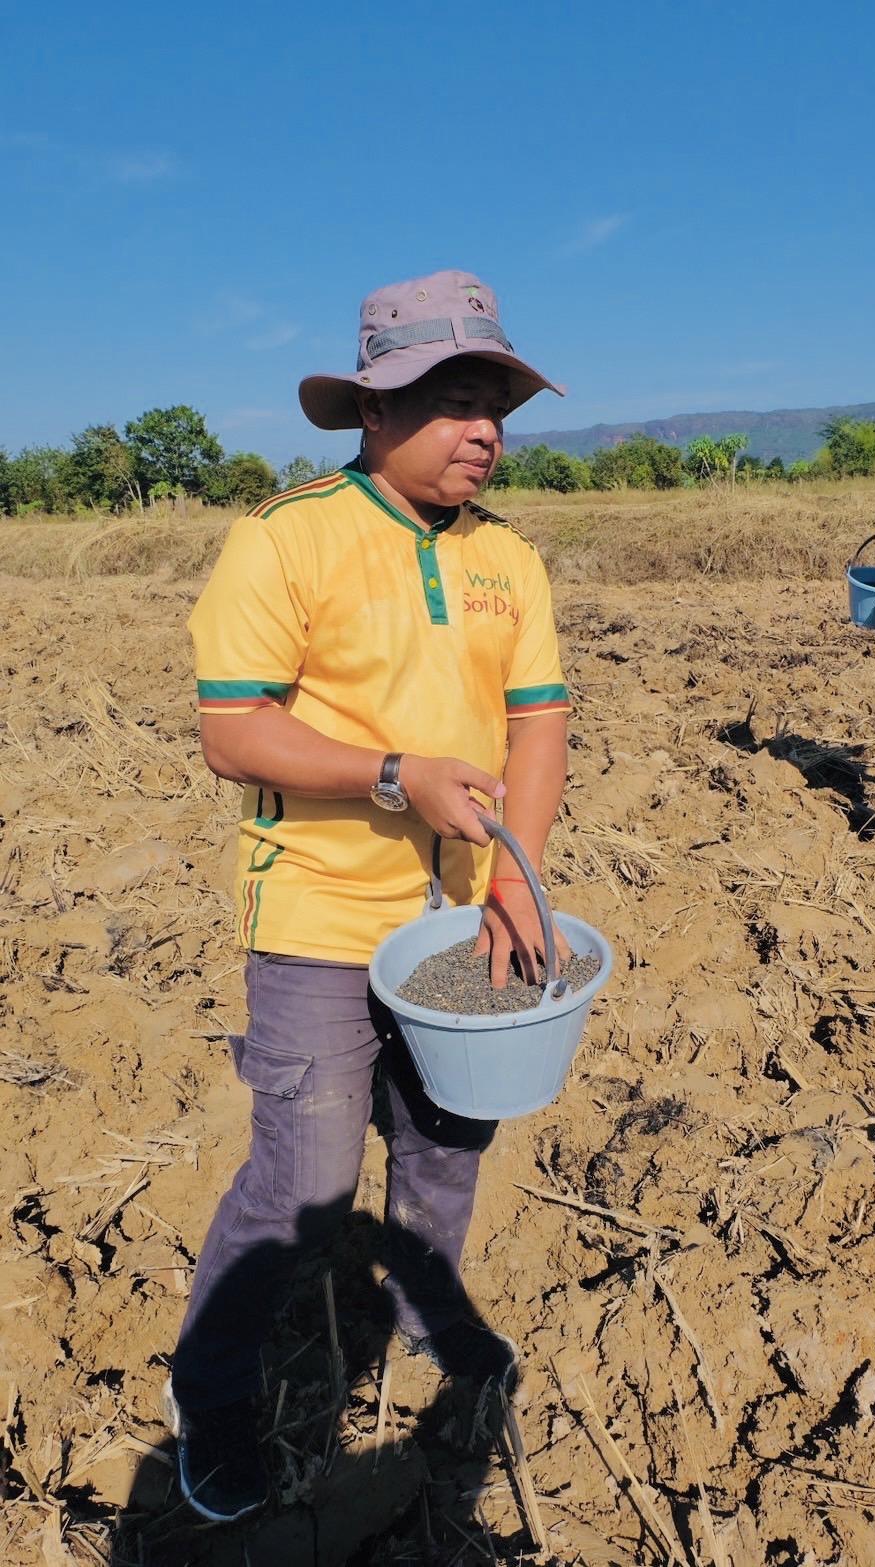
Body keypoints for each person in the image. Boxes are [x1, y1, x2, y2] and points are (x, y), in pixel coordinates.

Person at [166, 269, 572, 1522]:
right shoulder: (288, 538)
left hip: (456, 923)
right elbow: (234, 731)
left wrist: (512, 872)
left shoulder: (508, 558)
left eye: (495, 403)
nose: (485, 430)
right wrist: (393, 774)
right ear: (374, 410)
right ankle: (216, 1392)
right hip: (321, 925)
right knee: (304, 1179)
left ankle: (420, 1329)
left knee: (450, 1147)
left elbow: (537, 722)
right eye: (456, 401)